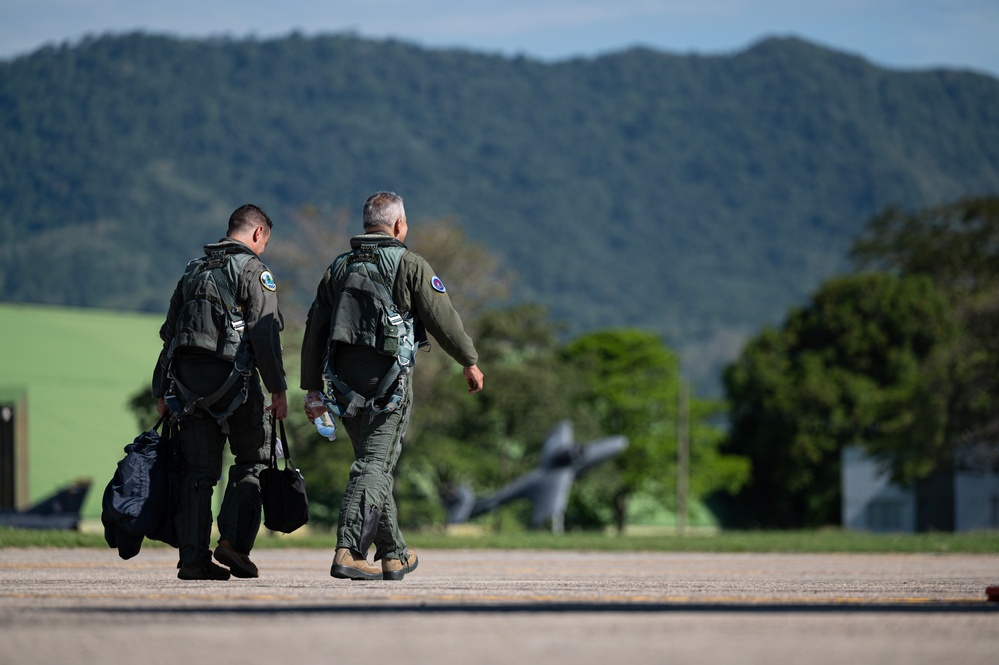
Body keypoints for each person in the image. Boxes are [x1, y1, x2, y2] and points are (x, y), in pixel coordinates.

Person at [301, 191, 483, 581]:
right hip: (389, 388)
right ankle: (349, 551)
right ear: (399, 225)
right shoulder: (410, 264)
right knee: (373, 466)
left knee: (374, 466)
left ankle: (394, 554)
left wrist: (312, 389)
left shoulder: (338, 268)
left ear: (366, 223)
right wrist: (468, 360)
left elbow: (313, 331)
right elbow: (443, 319)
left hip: (342, 389)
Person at [152, 204, 288, 581]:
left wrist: (160, 388)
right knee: (252, 461)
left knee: (197, 473)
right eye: (265, 242)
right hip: (237, 385)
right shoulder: (253, 271)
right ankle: (233, 543)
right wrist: (278, 388)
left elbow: (169, 335)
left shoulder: (193, 270)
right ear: (258, 232)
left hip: (188, 389)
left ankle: (193, 560)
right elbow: (263, 333)